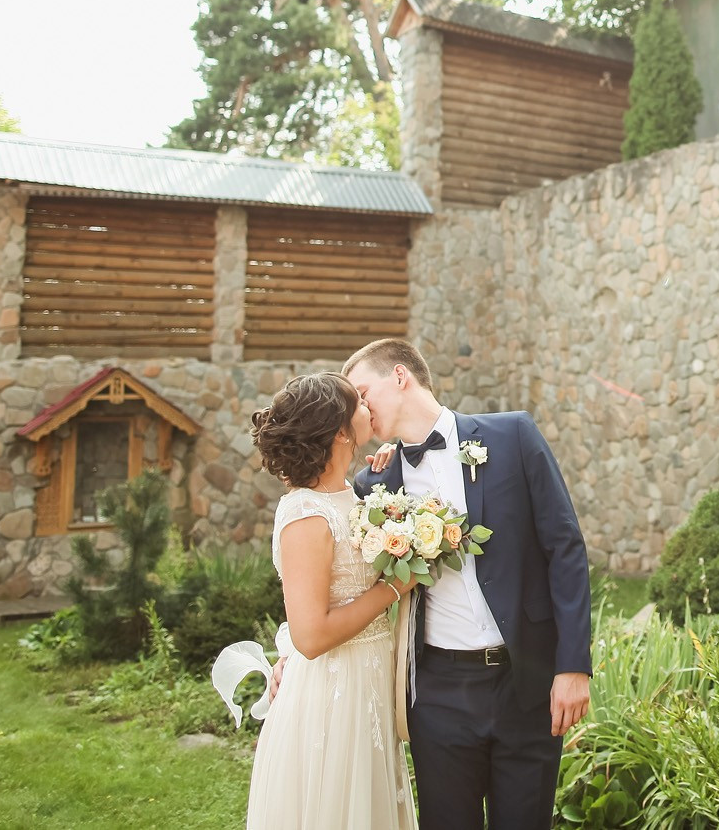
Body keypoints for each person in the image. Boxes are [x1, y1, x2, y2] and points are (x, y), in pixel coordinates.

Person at [345, 336, 593, 830]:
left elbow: (564, 548)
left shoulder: (514, 436)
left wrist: (572, 667)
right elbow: (338, 578)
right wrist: (290, 651)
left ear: (399, 377)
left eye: (362, 392)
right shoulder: (375, 487)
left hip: (527, 682)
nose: (358, 409)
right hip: (438, 694)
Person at [246, 372, 417, 830]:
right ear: (341, 430)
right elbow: (311, 636)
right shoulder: (305, 514)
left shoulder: (352, 495)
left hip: (372, 677)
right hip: (334, 692)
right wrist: (393, 590)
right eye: (359, 402)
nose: (368, 407)